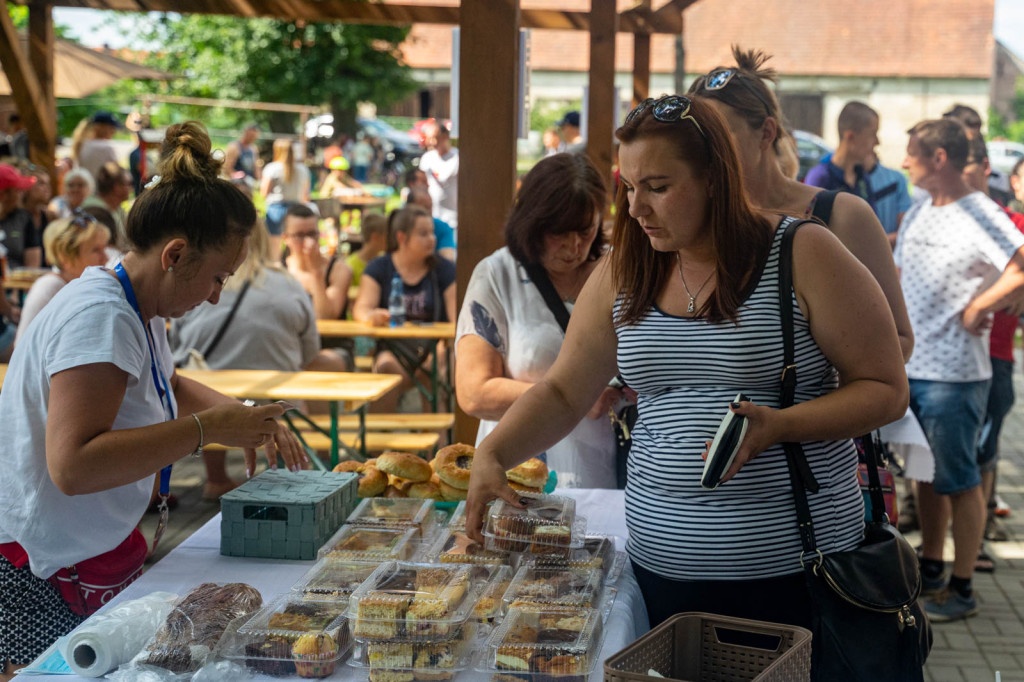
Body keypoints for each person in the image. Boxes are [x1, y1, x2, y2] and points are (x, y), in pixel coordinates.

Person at [464, 95, 908, 632]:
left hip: (794, 574)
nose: (635, 209)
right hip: (659, 575)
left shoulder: (804, 252)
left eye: (657, 187)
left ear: (716, 179)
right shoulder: (624, 269)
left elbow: (885, 388)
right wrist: (494, 451)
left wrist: (781, 426)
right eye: (628, 188)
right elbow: (563, 392)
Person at [0, 121, 304, 679]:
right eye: (216, 278)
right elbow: (72, 464)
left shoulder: (132, 303)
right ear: (174, 255)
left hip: (82, 548)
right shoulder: (102, 316)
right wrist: (206, 429)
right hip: (41, 566)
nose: (215, 296)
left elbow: (169, 384)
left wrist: (238, 414)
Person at [687, 48, 913, 361]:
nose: (705, 149)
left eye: (720, 134)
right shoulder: (694, 221)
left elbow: (900, 343)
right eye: (697, 136)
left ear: (766, 133)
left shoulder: (842, 216)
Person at [896, 118, 1024, 621]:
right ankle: (931, 567)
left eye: (911, 152)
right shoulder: (919, 210)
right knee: (923, 477)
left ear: (939, 158)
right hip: (913, 367)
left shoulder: (980, 211)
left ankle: (963, 586)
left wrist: (981, 307)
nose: (904, 161)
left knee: (960, 479)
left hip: (956, 375)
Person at [456, 153, 619, 488]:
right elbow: (474, 393)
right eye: (560, 233)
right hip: (522, 475)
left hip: (606, 472)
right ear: (534, 222)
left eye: (586, 231)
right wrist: (577, 397)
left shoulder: (616, 270)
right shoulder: (498, 274)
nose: (574, 246)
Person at [959, 132, 1023, 569]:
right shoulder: (941, 217)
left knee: (983, 454)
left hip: (994, 357)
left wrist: (988, 300)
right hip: (945, 362)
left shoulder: (1009, 225)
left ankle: (974, 542)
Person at [352, 205, 456, 412]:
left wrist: (440, 351)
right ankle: (380, 439)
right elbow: (361, 308)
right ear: (402, 238)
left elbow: (456, 320)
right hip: (393, 349)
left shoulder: (444, 269)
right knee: (385, 369)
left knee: (435, 374)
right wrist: (372, 315)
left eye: (432, 233)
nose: (432, 240)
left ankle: (437, 441)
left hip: (435, 349)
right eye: (423, 234)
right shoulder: (379, 268)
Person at [14, 212, 110, 345]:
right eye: (96, 250)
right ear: (66, 257)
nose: (106, 258)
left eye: (104, 248)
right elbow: (23, 345)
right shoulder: (50, 286)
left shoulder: (80, 284)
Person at [282, 204, 352, 321]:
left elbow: (325, 317)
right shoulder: (278, 271)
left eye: (311, 234)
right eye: (299, 235)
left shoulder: (339, 270)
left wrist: (315, 272)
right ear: (286, 239)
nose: (307, 241)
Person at [803, 101, 878, 210]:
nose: (877, 142)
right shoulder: (821, 177)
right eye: (872, 134)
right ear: (850, 137)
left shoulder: (862, 177)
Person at [260, 138, 311, 256]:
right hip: (296, 210)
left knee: (274, 246)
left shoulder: (272, 168)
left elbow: (264, 192)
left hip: (276, 209)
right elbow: (306, 195)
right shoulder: (303, 169)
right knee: (295, 246)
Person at [80, 162, 132, 252]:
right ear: (117, 187)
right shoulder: (94, 212)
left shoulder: (117, 207)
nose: (131, 188)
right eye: (128, 184)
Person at [417, 123, 459, 230]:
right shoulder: (427, 158)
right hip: (431, 216)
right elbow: (421, 183)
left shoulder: (457, 157)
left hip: (452, 217)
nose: (431, 142)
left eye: (434, 138)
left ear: (445, 137)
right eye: (428, 138)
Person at [0, 163, 41, 269]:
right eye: (17, 190)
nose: (21, 194)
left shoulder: (23, 218)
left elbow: (32, 267)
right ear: (3, 195)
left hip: (16, 283)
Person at [407, 187, 456, 262]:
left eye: (430, 207)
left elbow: (448, 259)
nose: (431, 239)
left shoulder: (442, 227)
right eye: (423, 233)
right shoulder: (401, 225)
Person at [346, 212, 388, 288]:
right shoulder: (350, 266)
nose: (390, 239)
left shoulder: (385, 261)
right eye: (386, 235)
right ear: (375, 237)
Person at [76, 111, 121, 181]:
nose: (113, 131)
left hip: (86, 189)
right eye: (111, 127)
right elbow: (119, 173)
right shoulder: (106, 148)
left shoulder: (82, 144)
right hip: (101, 190)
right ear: (99, 127)